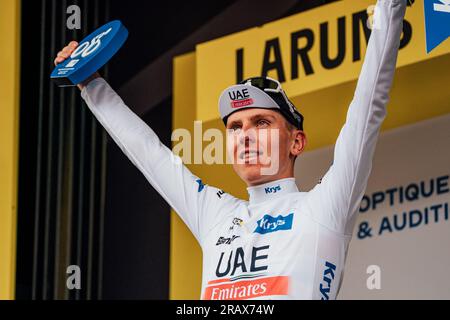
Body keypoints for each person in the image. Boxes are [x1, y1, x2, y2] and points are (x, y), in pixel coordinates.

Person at [54, 0, 407, 300]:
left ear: (296, 141)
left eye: (262, 123)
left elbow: (368, 108)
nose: (245, 136)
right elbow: (147, 151)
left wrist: (391, 7)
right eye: (235, 128)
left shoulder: (323, 207)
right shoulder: (217, 214)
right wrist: (89, 83)